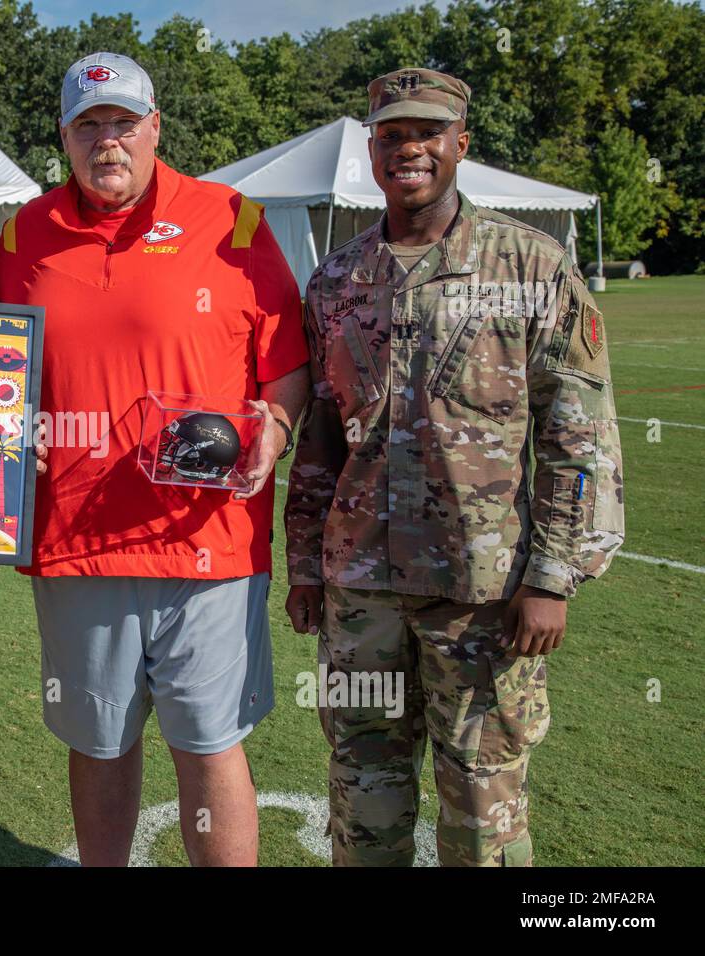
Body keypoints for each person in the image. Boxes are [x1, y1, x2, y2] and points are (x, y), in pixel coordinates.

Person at [283, 68, 625, 866]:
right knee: (363, 787)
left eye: (427, 133)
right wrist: (306, 565)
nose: (410, 149)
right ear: (372, 150)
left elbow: (578, 435)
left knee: (482, 799)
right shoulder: (337, 280)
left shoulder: (532, 268)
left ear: (460, 144)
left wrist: (550, 578)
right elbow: (323, 437)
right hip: (360, 590)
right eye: (392, 135)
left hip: (483, 593)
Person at [0, 52, 309, 866]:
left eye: (123, 122)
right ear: (64, 135)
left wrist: (274, 426)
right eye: (88, 125)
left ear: (155, 126)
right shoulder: (27, 232)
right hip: (75, 541)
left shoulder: (231, 218)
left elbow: (286, 363)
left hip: (208, 538)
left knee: (209, 743)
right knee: (98, 743)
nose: (108, 141)